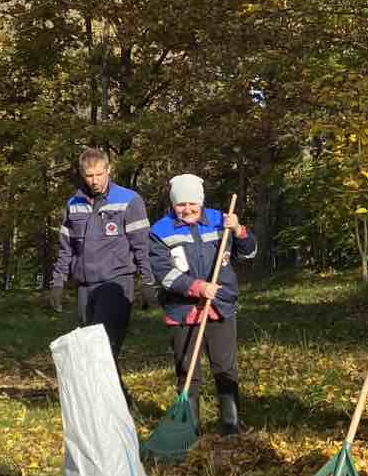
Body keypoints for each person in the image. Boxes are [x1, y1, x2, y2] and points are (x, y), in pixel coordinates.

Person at [148, 175, 259, 435]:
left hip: (220, 306)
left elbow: (250, 252)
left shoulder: (222, 220)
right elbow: (164, 274)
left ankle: (231, 425)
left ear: (201, 202)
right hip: (183, 311)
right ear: (172, 204)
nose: (187, 209)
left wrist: (240, 231)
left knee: (225, 366)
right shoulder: (160, 231)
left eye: (192, 204)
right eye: (180, 205)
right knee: (188, 371)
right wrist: (197, 287)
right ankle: (190, 427)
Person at [48, 147, 156, 365]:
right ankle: (110, 399)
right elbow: (66, 248)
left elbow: (142, 246)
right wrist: (57, 282)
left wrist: (148, 282)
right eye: (89, 176)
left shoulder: (129, 200)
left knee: (105, 350)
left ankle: (116, 399)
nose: (94, 180)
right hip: (85, 288)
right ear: (82, 174)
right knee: (89, 351)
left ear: (109, 170)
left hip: (116, 284)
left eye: (99, 174)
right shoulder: (73, 204)